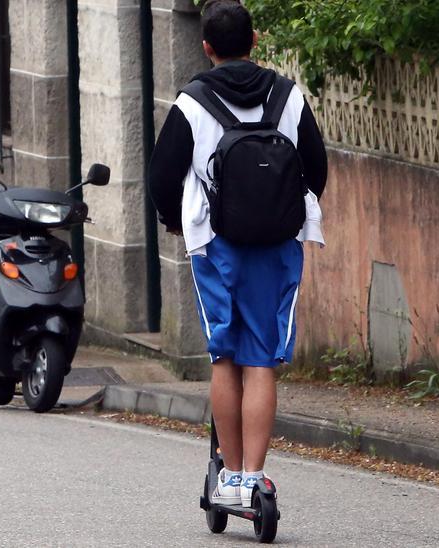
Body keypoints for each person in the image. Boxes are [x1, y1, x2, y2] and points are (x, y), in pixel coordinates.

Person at [147, 0, 327, 508]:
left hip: (216, 246)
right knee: (263, 359)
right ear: (254, 43)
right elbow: (316, 167)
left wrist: (175, 222)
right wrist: (281, 210)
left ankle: (228, 478)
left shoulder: (192, 104)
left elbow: (162, 177)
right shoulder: (287, 97)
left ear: (207, 48)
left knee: (225, 356)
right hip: (279, 245)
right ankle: (254, 477)